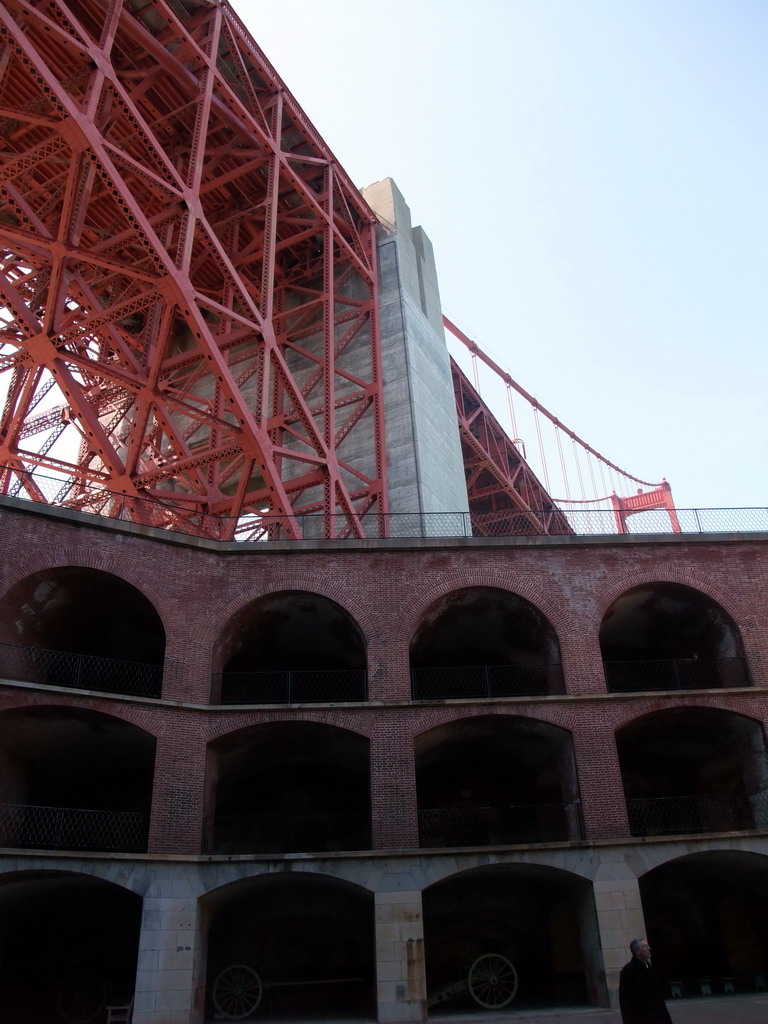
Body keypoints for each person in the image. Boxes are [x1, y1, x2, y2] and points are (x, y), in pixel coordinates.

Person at [618, 937, 673, 1024]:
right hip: (641, 1018)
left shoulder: (649, 968)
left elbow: (658, 997)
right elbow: (625, 1001)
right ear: (637, 951)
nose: (648, 949)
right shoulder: (628, 971)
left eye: (647, 946)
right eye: (644, 947)